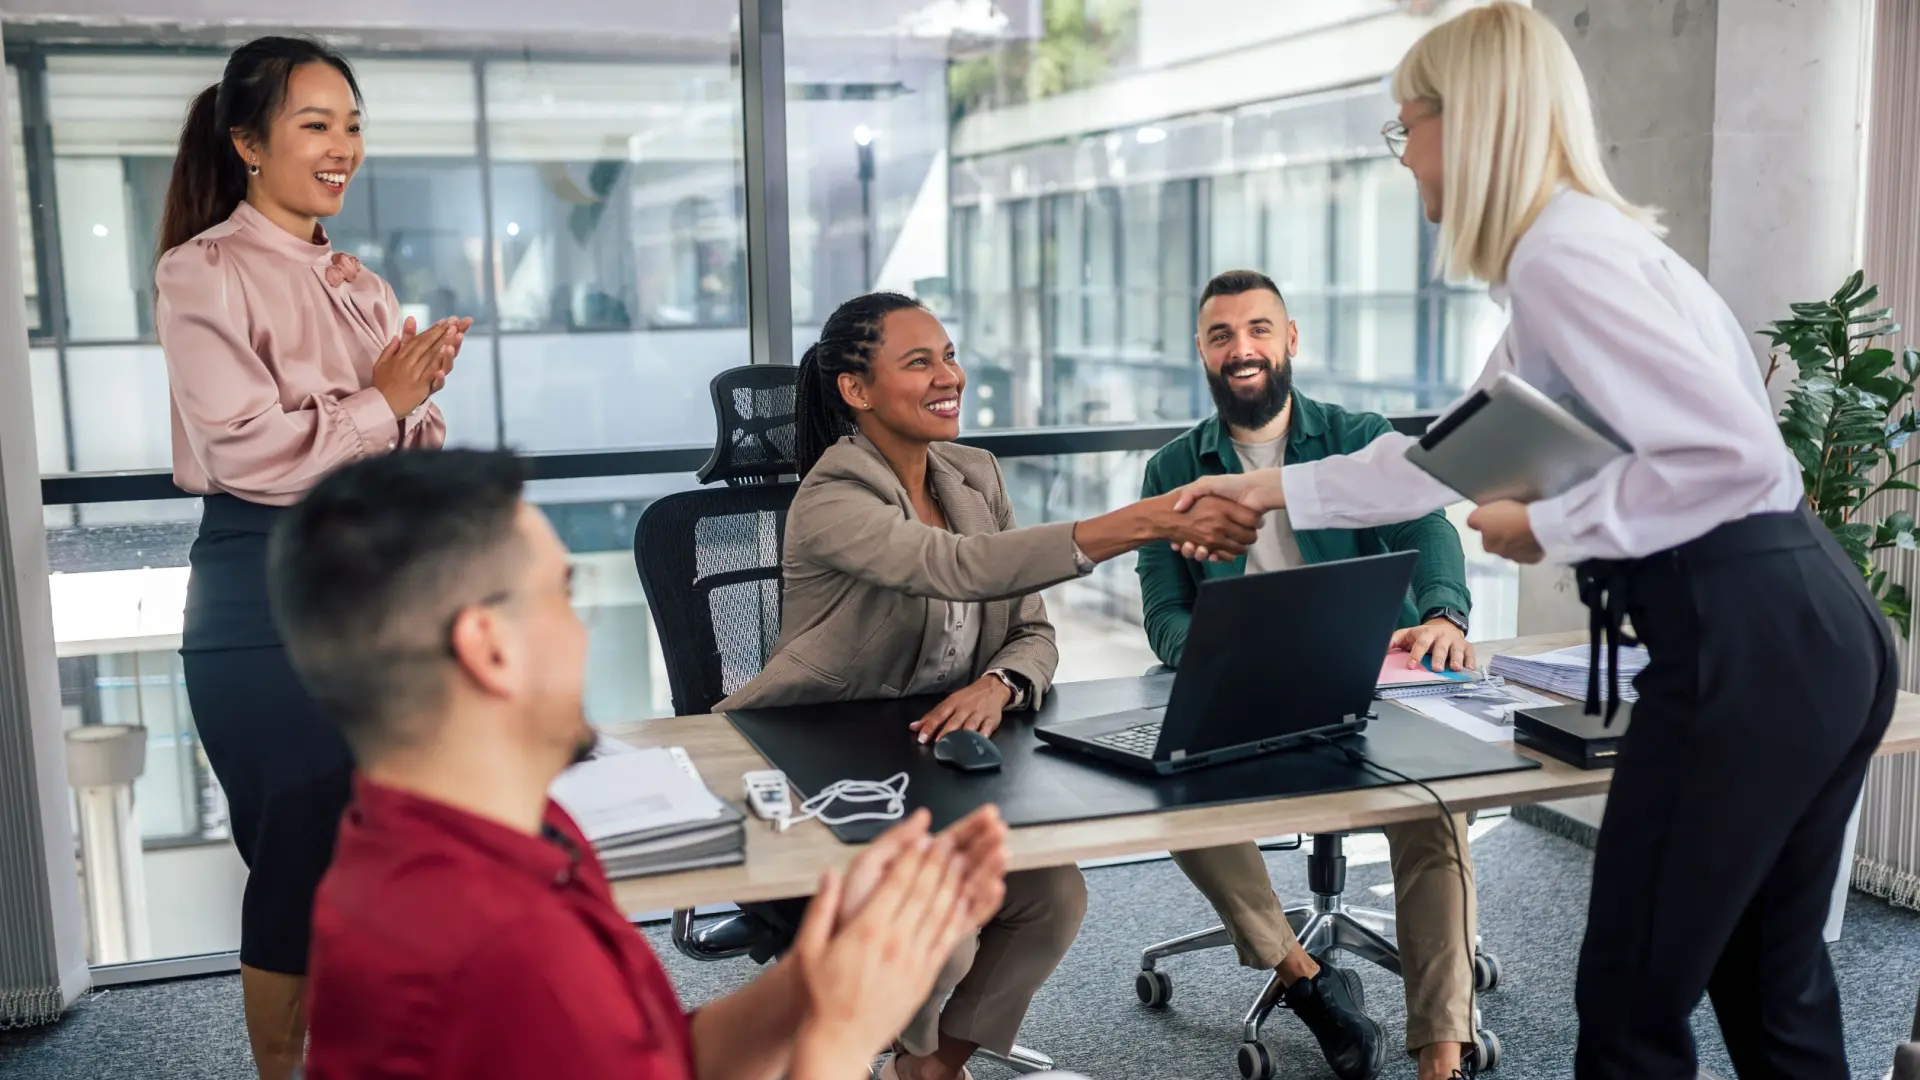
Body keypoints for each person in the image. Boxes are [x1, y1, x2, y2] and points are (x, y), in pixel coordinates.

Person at [1171, 5, 1899, 1078]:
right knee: (1767, 977)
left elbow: (1730, 465)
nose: (1404, 153)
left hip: (1744, 642)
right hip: (1817, 629)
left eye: (1405, 124)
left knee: (1632, 1002)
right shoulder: (1579, 254)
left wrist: (1542, 524)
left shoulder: (1564, 257)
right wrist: (1265, 489)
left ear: (1466, 123)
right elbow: (1445, 456)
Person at [270, 449, 1014, 1080]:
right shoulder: (494, 947)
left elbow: (659, 1057)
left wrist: (819, 980)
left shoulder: (505, 834)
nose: (583, 628)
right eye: (562, 595)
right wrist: (842, 1040)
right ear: (490, 648)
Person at [717, 291, 1264, 1080]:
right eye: (920, 362)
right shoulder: (832, 496)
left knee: (1054, 895)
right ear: (856, 391)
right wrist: (1143, 522)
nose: (951, 376)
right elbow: (958, 569)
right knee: (950, 918)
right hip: (819, 766)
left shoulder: (972, 474)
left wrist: (1001, 684)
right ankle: (861, 1051)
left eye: (948, 354)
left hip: (933, 765)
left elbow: (1033, 630)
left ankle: (933, 1065)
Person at [154, 36, 473, 1080]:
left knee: (392, 848)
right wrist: (384, 402)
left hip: (376, 584)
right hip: (263, 591)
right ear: (248, 141)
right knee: (299, 856)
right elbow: (249, 452)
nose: (343, 146)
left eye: (353, 124)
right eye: (314, 124)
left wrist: (413, 409)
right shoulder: (200, 273)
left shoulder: (363, 284)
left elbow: (387, 451)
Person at [1136, 267, 1477, 1080]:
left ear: (1290, 340)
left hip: (1372, 682)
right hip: (1248, 693)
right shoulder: (1172, 469)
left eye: (1258, 329)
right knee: (1175, 790)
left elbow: (1427, 520)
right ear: (1202, 353)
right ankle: (1306, 978)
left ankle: (1442, 1053)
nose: (1241, 348)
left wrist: (1443, 613)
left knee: (1435, 811)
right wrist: (1224, 649)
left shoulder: (1357, 436)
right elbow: (1163, 616)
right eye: (1221, 335)